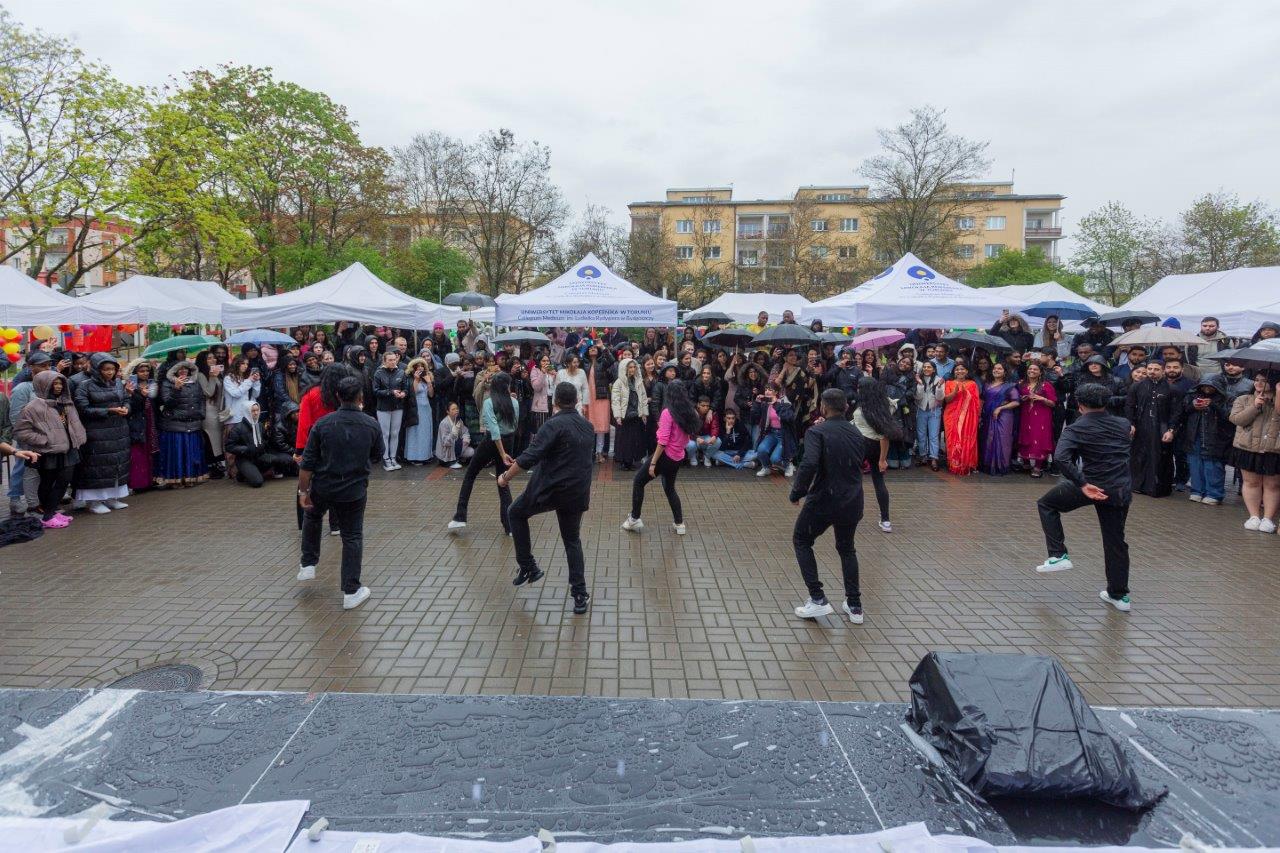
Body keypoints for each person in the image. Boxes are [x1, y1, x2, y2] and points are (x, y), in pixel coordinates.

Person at [1034, 383, 1135, 612]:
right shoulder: (1123, 424)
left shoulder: (1076, 428)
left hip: (1091, 484)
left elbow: (1061, 458)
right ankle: (1119, 595)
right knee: (1115, 541)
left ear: (1079, 405)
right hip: (1119, 488)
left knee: (1047, 504)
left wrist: (1082, 484)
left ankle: (1058, 554)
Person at [497, 382, 596, 613]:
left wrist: (505, 477)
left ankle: (528, 566)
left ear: (556, 401)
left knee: (515, 512)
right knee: (572, 540)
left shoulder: (553, 425)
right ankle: (579, 594)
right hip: (577, 491)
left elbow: (529, 457)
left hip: (551, 489)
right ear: (576, 401)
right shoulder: (587, 426)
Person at [296, 374, 383, 610]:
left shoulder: (323, 424)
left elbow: (307, 464)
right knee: (352, 536)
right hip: (353, 489)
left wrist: (303, 491)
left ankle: (308, 563)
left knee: (312, 515)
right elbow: (377, 455)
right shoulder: (371, 424)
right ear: (361, 397)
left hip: (323, 484)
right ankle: (351, 591)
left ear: (337, 396)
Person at [790, 388, 867, 624]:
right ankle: (854, 605)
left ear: (823, 407)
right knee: (847, 548)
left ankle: (818, 598)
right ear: (846, 407)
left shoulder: (817, 432)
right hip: (852, 499)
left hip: (824, 499)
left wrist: (797, 491)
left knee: (801, 539)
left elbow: (809, 463)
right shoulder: (856, 432)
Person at [623, 379, 698, 535]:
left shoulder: (667, 413)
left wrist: (653, 463)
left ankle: (634, 518)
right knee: (670, 488)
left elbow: (662, 441)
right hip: (678, 457)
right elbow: (688, 436)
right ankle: (679, 524)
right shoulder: (690, 412)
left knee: (638, 481)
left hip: (665, 456)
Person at [448, 371, 518, 534]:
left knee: (470, 474)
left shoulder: (489, 402)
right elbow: (514, 425)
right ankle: (509, 526)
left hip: (493, 441)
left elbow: (494, 430)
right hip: (509, 440)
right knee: (503, 481)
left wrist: (502, 453)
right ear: (507, 386)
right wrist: (505, 452)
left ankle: (460, 516)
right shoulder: (514, 401)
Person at [13, 371, 85, 528]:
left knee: (64, 481)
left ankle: (51, 512)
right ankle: (47, 516)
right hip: (48, 452)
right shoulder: (33, 407)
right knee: (47, 482)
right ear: (43, 385)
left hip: (69, 448)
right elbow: (21, 431)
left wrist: (78, 438)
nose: (58, 387)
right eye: (54, 383)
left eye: (60, 383)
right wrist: (45, 440)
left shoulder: (66, 403)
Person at [71, 353, 132, 513]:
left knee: (116, 464)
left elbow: (126, 399)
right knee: (97, 467)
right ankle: (94, 501)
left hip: (119, 431)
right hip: (96, 432)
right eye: (106, 369)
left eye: (112, 369)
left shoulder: (118, 383)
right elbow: (82, 408)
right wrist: (108, 411)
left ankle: (113, 498)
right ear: (97, 369)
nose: (110, 372)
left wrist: (126, 408)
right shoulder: (85, 386)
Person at [1229, 372, 1280, 533]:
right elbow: (1237, 419)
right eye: (1256, 380)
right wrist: (1255, 406)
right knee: (1251, 482)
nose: (1258, 383)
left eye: (1264, 380)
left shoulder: (1277, 400)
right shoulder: (1244, 399)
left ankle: (1268, 519)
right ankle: (1254, 516)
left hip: (1273, 449)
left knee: (1272, 485)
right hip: (1248, 447)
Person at [1176, 375, 1233, 505]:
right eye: (1204, 385)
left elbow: (1230, 417)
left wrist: (1213, 405)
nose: (1207, 388)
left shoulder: (1228, 398)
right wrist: (1192, 406)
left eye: (1211, 386)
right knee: (1195, 464)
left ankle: (1214, 494)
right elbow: (1182, 412)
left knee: (1212, 465)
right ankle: (1197, 491)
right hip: (1194, 435)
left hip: (1216, 437)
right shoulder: (1191, 395)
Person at [850, 377, 897, 532]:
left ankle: (850, 514)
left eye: (859, 387)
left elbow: (883, 435)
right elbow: (884, 437)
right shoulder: (885, 405)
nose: (857, 390)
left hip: (862, 445)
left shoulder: (862, 409)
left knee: (853, 480)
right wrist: (882, 459)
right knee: (878, 481)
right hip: (877, 447)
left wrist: (882, 460)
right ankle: (886, 520)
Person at [1125, 361, 1177, 497]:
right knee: (1139, 455)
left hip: (1162, 427)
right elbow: (1129, 406)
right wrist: (1131, 424)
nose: (1152, 371)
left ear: (1163, 371)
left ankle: (1157, 488)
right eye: (1150, 368)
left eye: (1156, 369)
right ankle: (1137, 485)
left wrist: (1171, 430)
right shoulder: (1137, 386)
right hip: (1140, 426)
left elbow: (1176, 411)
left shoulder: (1171, 389)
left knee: (1159, 457)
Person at [157, 360, 208, 486]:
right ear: (173, 371)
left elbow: (201, 399)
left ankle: (192, 478)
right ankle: (176, 480)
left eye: (185, 368)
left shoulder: (195, 382)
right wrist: (176, 388)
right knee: (178, 455)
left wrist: (201, 414)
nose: (183, 371)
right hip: (175, 424)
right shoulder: (167, 383)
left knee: (193, 454)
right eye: (180, 369)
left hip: (193, 423)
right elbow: (167, 403)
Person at [225, 400, 297, 486]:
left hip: (259, 456)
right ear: (247, 412)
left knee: (286, 459)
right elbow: (229, 446)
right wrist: (246, 449)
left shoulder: (260, 425)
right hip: (245, 458)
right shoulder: (238, 428)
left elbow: (266, 441)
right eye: (253, 411)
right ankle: (243, 473)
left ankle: (252, 472)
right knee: (257, 482)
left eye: (257, 410)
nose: (256, 413)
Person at [1016, 362, 1058, 477]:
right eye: (1030, 369)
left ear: (1040, 372)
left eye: (1035, 369)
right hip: (1026, 415)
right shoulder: (1022, 384)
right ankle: (1026, 464)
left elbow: (1053, 403)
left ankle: (1038, 466)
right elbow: (1015, 398)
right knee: (1026, 436)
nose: (1032, 371)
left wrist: (1041, 398)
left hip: (1041, 417)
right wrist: (1022, 398)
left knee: (1039, 438)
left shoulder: (1046, 385)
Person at [979, 362, 1020, 476]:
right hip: (988, 416)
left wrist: (1000, 408)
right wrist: (979, 414)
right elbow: (982, 400)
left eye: (999, 369)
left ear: (1005, 372)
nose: (996, 370)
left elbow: (1016, 402)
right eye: (995, 368)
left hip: (1004, 416)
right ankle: (988, 465)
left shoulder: (1009, 386)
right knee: (988, 439)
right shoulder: (987, 384)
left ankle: (1001, 466)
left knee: (1002, 440)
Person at [124, 359, 159, 492]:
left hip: (151, 420)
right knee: (138, 452)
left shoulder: (152, 384)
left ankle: (150, 481)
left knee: (150, 450)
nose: (145, 373)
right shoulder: (130, 386)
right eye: (141, 371)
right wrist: (137, 394)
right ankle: (139, 483)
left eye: (147, 370)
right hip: (137, 422)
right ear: (135, 372)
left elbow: (158, 401)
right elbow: (132, 407)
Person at [371, 349, 409, 471]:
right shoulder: (378, 373)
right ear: (384, 361)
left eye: (394, 359)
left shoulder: (401, 372)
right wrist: (390, 392)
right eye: (390, 360)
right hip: (383, 407)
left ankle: (393, 457)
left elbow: (406, 388)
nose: (393, 362)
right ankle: (386, 458)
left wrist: (403, 394)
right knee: (385, 433)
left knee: (395, 433)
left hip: (398, 406)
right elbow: (375, 391)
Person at [610, 357, 648, 471]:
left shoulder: (638, 381)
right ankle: (624, 461)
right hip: (624, 416)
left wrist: (644, 413)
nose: (632, 369)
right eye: (630, 367)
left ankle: (631, 461)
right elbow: (615, 400)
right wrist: (617, 416)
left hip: (636, 415)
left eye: (634, 367)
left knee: (634, 439)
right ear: (624, 369)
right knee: (624, 440)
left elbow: (643, 398)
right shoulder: (618, 382)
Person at [751, 382, 797, 477]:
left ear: (776, 392)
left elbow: (788, 417)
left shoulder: (784, 403)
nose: (767, 392)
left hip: (783, 434)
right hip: (772, 432)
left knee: (775, 459)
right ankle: (766, 467)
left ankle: (788, 465)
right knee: (761, 450)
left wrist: (776, 404)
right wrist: (757, 403)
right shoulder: (765, 404)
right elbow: (755, 416)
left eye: (770, 390)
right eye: (766, 389)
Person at [942, 361, 980, 475]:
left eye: (962, 369)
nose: (960, 371)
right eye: (957, 369)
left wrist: (966, 392)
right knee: (952, 438)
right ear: (954, 372)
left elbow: (976, 401)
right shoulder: (949, 383)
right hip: (951, 415)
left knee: (966, 439)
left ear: (967, 371)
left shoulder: (972, 384)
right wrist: (955, 391)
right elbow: (947, 400)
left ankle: (966, 464)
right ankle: (954, 464)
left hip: (968, 416)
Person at [194, 352, 227, 479]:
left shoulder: (216, 373)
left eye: (214, 357)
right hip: (209, 412)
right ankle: (212, 465)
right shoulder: (201, 375)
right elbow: (209, 392)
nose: (213, 360)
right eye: (209, 358)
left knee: (218, 439)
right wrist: (213, 377)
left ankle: (218, 463)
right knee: (211, 439)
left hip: (218, 410)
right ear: (203, 361)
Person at [402, 358, 435, 465]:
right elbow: (413, 393)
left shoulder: (427, 377)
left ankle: (425, 456)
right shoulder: (410, 378)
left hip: (426, 407)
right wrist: (416, 380)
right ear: (414, 368)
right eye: (418, 366)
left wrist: (429, 382)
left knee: (425, 431)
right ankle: (414, 456)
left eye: (422, 366)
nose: (420, 368)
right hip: (415, 408)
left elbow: (431, 395)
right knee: (415, 432)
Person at [914, 360, 944, 471]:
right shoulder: (918, 379)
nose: (926, 369)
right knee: (921, 435)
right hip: (921, 410)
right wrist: (920, 384)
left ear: (934, 369)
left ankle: (934, 458)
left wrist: (939, 387)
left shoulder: (939, 380)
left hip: (934, 411)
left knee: (934, 435)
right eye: (925, 367)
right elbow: (918, 397)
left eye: (929, 367)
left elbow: (940, 398)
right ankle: (923, 456)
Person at [435, 401, 473, 468]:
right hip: (446, 451)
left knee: (471, 451)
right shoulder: (444, 423)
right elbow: (445, 442)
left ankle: (457, 458)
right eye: (453, 409)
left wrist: (466, 439)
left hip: (457, 446)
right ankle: (451, 462)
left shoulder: (458, 420)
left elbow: (465, 431)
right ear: (448, 411)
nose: (456, 411)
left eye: (457, 409)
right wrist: (453, 433)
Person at [686, 396, 721, 467]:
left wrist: (714, 436)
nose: (705, 408)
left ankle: (707, 457)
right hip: (694, 437)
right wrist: (696, 438)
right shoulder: (692, 413)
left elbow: (715, 427)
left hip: (706, 437)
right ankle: (693, 456)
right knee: (690, 444)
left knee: (718, 441)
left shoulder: (713, 413)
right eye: (703, 405)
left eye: (707, 406)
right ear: (698, 405)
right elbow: (688, 430)